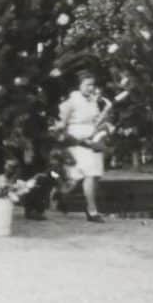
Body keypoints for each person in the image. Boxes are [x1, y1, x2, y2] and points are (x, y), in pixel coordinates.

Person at [55, 70, 107, 223]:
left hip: (94, 140)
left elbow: (96, 119)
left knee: (95, 175)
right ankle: (92, 210)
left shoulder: (93, 100)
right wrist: (67, 140)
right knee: (88, 175)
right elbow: (61, 124)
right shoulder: (70, 101)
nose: (91, 88)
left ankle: (60, 196)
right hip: (78, 141)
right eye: (87, 85)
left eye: (93, 85)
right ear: (79, 85)